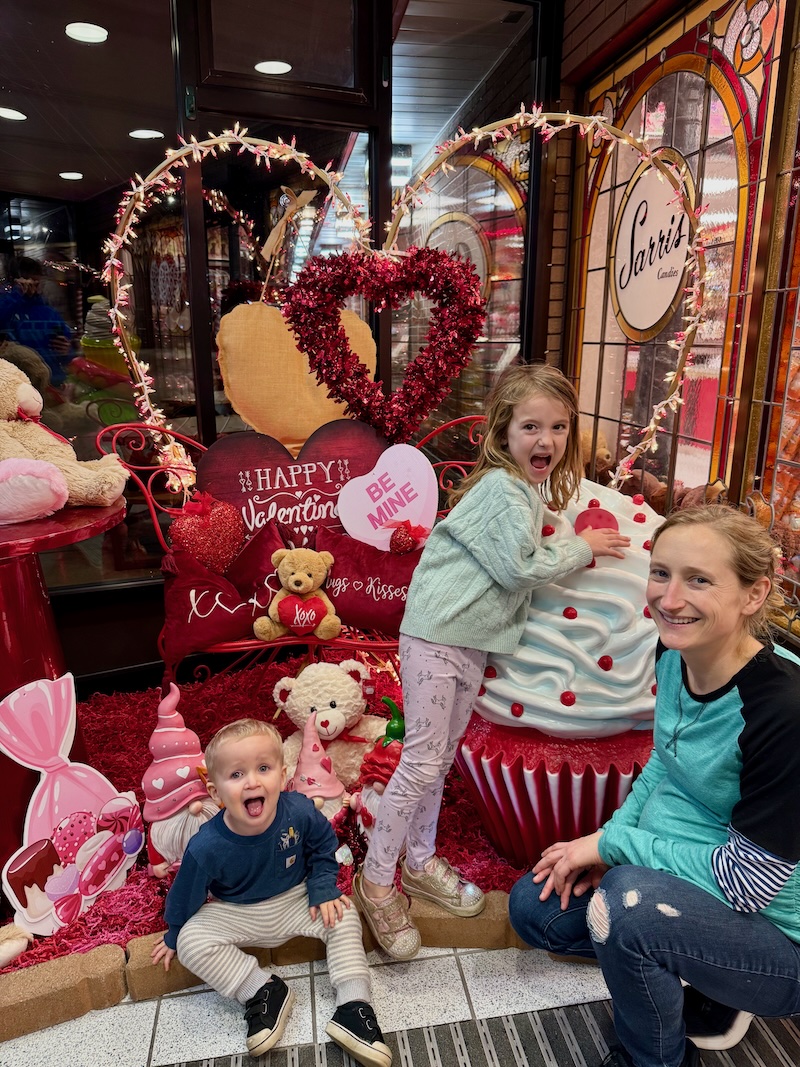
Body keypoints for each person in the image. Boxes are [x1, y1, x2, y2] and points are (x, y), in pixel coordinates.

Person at [352, 362, 630, 959]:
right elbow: (518, 569)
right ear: (503, 430)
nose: (546, 441)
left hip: (466, 641)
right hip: (435, 639)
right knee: (424, 761)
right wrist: (585, 545)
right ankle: (376, 882)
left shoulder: (522, 491)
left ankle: (420, 861)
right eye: (531, 426)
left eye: (559, 428)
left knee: (438, 758)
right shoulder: (502, 489)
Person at [508, 505, 800, 1067]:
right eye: (661, 572)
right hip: (684, 881)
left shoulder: (781, 712)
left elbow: (749, 883)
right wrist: (610, 840)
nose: (668, 599)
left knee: (627, 911)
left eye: (699, 580)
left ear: (754, 594)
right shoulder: (675, 654)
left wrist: (614, 852)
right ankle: (696, 972)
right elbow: (666, 764)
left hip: (778, 932)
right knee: (535, 906)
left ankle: (658, 1057)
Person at [151, 718, 392, 1067]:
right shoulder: (207, 846)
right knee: (191, 940)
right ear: (216, 794)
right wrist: (174, 933)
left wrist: (322, 888)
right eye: (235, 775)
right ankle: (264, 991)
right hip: (237, 911)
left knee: (344, 915)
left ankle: (354, 1006)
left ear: (282, 777)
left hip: (296, 898)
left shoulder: (299, 811)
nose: (252, 781)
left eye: (263, 768)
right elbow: (185, 892)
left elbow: (323, 847)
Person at [0, 257, 74, 385]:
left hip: (52, 381)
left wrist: (66, 350)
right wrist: (16, 294)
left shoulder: (49, 312)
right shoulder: (7, 306)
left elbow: (67, 352)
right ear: (16, 281)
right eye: (29, 279)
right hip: (18, 383)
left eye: (37, 280)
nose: (33, 285)